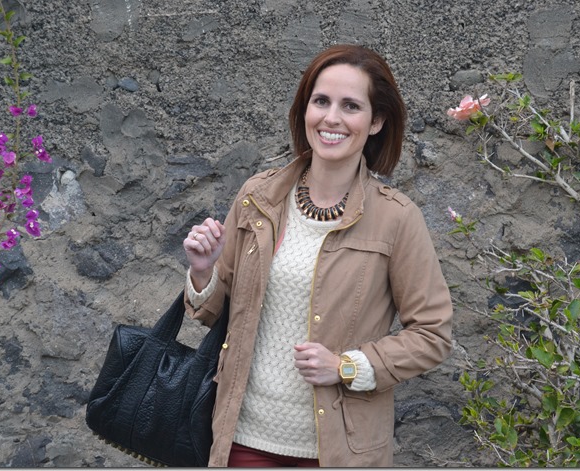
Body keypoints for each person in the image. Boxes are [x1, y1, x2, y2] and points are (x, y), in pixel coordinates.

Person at [182, 44, 453, 467]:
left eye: (351, 106)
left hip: (338, 452)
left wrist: (347, 366)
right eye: (321, 101)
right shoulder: (258, 197)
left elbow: (433, 334)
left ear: (376, 121)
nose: (332, 118)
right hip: (244, 439)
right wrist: (203, 272)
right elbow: (216, 312)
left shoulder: (397, 219)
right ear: (304, 109)